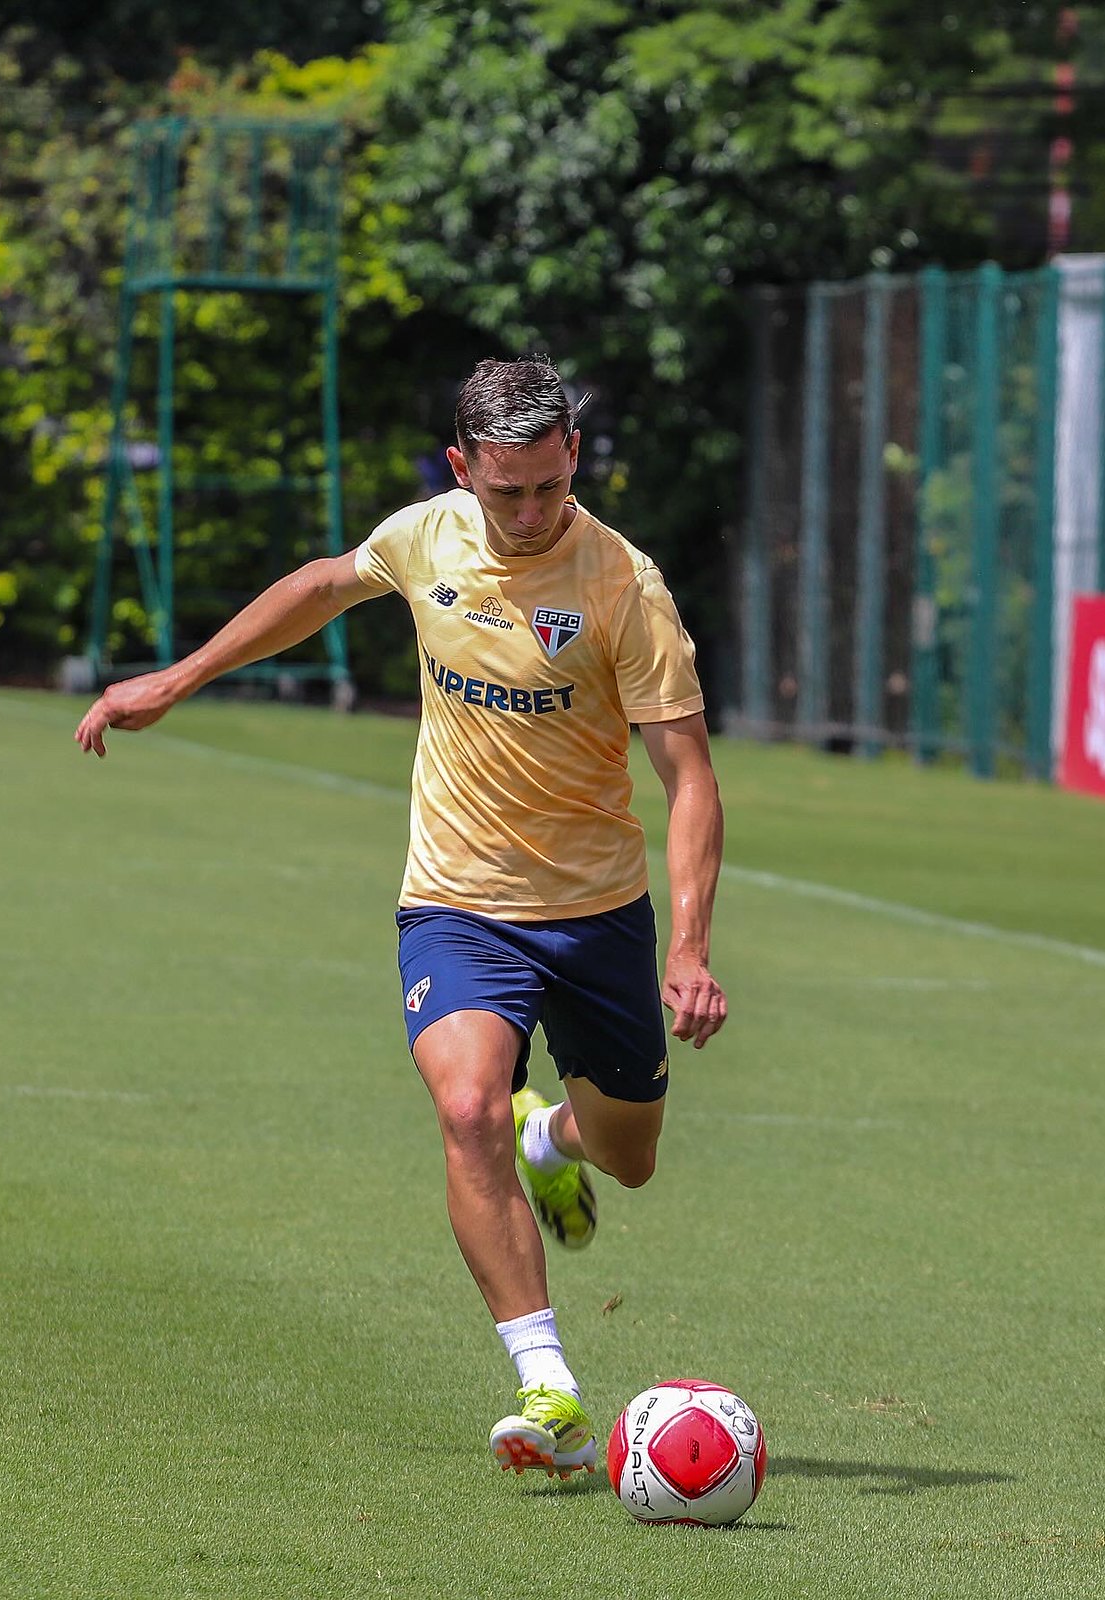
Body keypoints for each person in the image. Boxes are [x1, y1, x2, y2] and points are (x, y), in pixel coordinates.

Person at [75, 355, 727, 1480]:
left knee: (628, 1157)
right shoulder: (428, 535)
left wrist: (689, 946)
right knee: (465, 1102)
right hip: (455, 900)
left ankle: (552, 1137)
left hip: (594, 912)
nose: (526, 513)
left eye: (546, 486)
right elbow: (326, 585)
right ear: (460, 466)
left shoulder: (624, 584)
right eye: (503, 488)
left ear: (573, 455)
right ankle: (549, 1386)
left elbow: (688, 778)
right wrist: (173, 680)